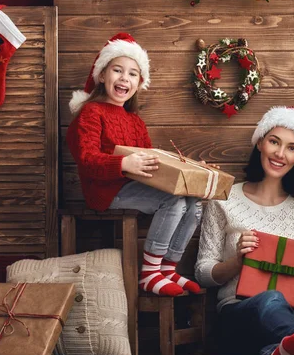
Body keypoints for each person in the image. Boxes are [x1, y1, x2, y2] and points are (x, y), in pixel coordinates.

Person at [195, 106, 294, 355]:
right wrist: (237, 261)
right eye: (274, 142)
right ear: (260, 142)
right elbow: (203, 273)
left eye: (292, 148)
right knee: (274, 299)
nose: (280, 154)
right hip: (239, 312)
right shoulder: (225, 200)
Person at [66, 33, 202, 297]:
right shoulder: (91, 112)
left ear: (139, 83)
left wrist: (187, 170)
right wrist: (123, 163)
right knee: (171, 201)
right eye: (117, 70)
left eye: (132, 74)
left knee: (194, 201)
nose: (124, 78)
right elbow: (86, 159)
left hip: (136, 187)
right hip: (105, 191)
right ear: (102, 75)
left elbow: (152, 163)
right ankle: (150, 273)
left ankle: (168, 267)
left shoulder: (135, 121)